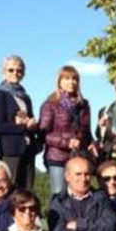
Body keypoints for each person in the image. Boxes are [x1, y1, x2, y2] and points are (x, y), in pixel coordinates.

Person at [40, 65, 94, 195]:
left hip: (78, 156)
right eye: (67, 78)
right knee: (59, 194)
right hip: (57, 157)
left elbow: (86, 131)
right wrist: (66, 142)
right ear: (59, 82)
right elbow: (43, 134)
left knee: (79, 193)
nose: (71, 82)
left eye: (74, 79)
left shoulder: (84, 105)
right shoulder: (50, 104)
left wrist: (91, 143)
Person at [0, 55, 39, 189]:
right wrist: (23, 127)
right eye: (11, 70)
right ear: (3, 72)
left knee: (28, 190)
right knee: (11, 191)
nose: (15, 73)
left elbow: (29, 120)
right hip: (10, 151)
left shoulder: (25, 95)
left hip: (27, 149)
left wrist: (32, 124)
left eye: (19, 70)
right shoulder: (0, 94)